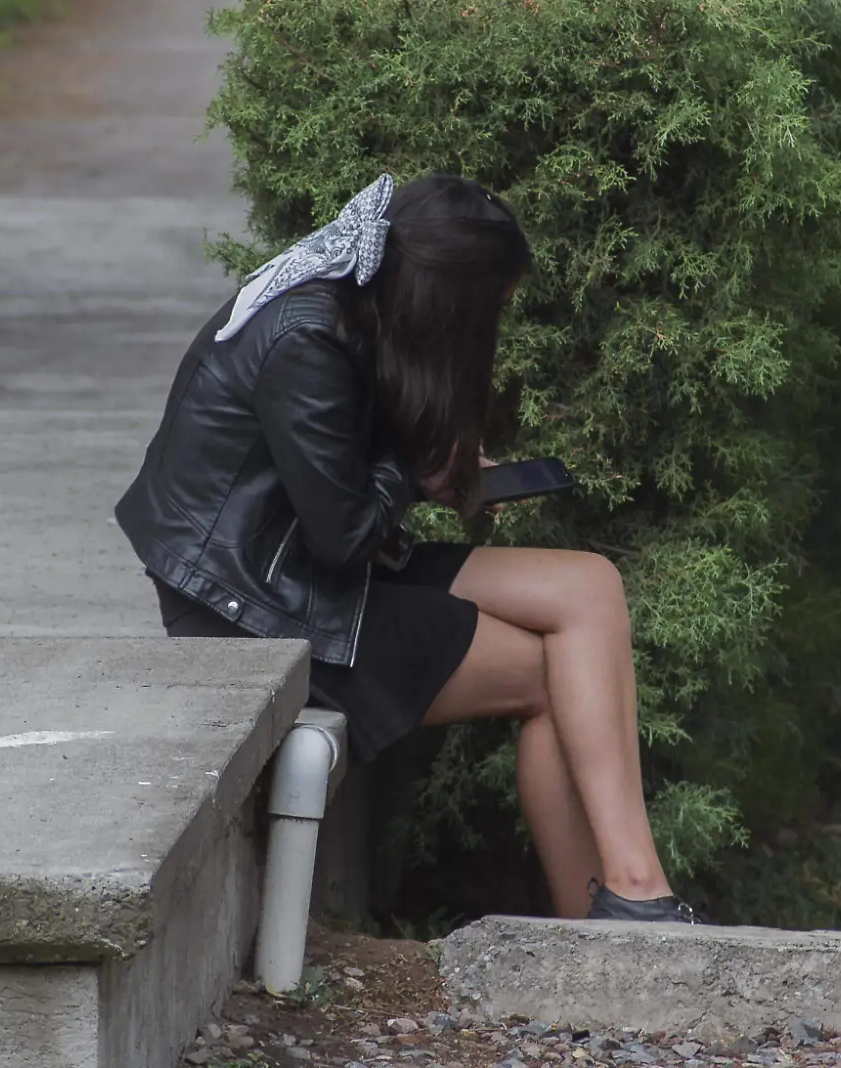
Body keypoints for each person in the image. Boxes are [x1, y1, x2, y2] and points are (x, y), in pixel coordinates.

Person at [116, 173, 697, 923]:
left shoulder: (354, 291)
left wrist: (429, 458)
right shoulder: (305, 338)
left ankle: (631, 895)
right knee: (550, 678)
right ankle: (626, 909)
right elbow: (343, 537)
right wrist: (419, 468)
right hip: (256, 611)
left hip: (309, 576)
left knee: (588, 586)